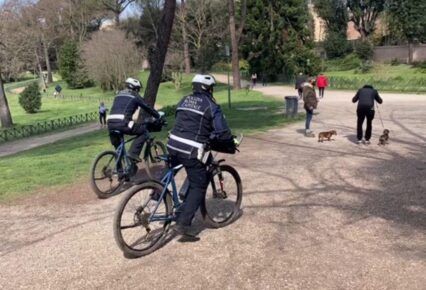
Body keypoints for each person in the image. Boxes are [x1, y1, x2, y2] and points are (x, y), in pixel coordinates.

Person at [167, 74, 237, 241]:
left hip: (172, 143)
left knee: (178, 168)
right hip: (190, 149)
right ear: (208, 89)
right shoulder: (211, 105)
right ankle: (183, 224)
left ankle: (158, 192)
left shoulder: (184, 100)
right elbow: (222, 131)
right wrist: (230, 142)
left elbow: (184, 121)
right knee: (199, 183)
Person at [107, 77, 160, 175]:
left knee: (118, 150)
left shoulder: (118, 94)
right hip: (123, 123)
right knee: (144, 131)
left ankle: (121, 174)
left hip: (110, 124)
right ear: (135, 88)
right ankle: (133, 153)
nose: (138, 91)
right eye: (138, 89)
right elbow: (147, 107)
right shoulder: (135, 95)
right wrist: (158, 115)